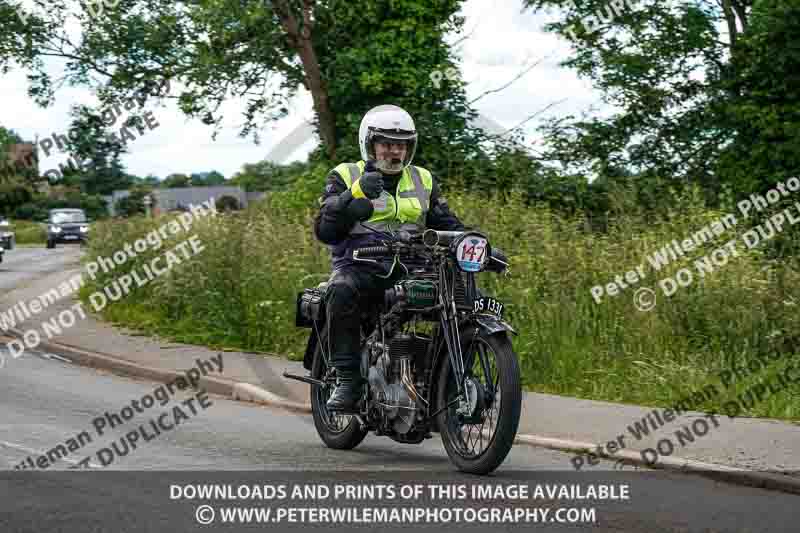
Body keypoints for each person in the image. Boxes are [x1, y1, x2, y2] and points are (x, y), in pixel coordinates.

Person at [313, 104, 466, 412]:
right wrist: (351, 198)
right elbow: (325, 230)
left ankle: (449, 382)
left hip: (415, 266)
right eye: (386, 144)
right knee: (341, 289)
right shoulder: (346, 174)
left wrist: (475, 240)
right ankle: (346, 379)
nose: (395, 152)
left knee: (461, 299)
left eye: (401, 144)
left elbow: (446, 222)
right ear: (369, 144)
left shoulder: (423, 179)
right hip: (362, 263)